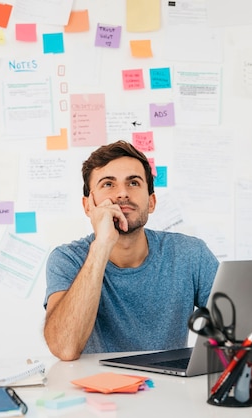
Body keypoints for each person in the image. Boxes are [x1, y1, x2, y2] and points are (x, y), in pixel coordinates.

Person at [43, 140, 219, 361]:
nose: (123, 194)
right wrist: (102, 245)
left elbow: (238, 326)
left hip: (168, 390)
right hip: (96, 391)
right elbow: (65, 348)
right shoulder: (67, 259)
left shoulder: (191, 254)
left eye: (134, 183)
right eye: (108, 184)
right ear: (88, 206)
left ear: (152, 202)